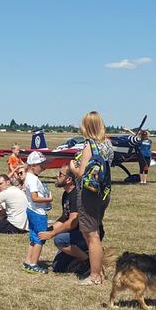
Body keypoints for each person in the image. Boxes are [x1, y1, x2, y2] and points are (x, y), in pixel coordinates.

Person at [68, 111, 114, 285]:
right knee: (94, 231)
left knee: (91, 234)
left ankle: (95, 276)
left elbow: (81, 173)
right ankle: (98, 271)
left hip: (88, 194)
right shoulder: (108, 145)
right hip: (103, 192)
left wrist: (73, 167)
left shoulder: (89, 146)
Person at [38, 165, 91, 273]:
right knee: (58, 267)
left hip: (85, 234)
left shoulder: (77, 195)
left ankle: (88, 261)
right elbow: (64, 217)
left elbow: (72, 222)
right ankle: (82, 253)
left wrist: (52, 234)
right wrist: (50, 229)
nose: (56, 176)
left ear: (69, 179)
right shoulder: (66, 194)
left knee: (60, 239)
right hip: (75, 233)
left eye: (60, 174)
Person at [23, 151, 53, 274]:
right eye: (42, 165)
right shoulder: (33, 179)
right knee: (40, 238)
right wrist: (49, 199)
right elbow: (35, 197)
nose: (44, 168)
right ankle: (34, 263)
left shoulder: (29, 177)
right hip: (38, 212)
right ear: (33, 165)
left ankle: (28, 260)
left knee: (34, 236)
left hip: (31, 210)